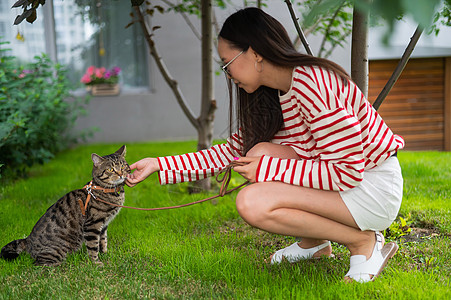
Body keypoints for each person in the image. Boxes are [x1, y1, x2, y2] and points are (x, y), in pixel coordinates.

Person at [126, 7, 404, 283]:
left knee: (252, 201)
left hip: (372, 188)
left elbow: (347, 172)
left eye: (227, 62)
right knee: (257, 151)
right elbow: (229, 153)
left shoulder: (314, 85)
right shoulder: (273, 94)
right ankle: (314, 243)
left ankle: (363, 243)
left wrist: (268, 170)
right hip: (349, 186)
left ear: (255, 54)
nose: (227, 72)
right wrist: (157, 164)